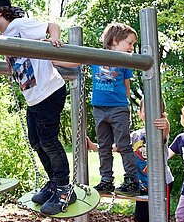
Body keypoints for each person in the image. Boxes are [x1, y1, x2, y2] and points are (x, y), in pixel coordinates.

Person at [0, 0, 75, 216]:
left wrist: (54, 39)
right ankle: (54, 183)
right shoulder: (5, 36)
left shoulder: (18, 25)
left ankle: (65, 189)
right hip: (34, 98)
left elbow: (51, 25)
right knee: (36, 141)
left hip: (49, 91)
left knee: (49, 141)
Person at [57, 23, 140, 196]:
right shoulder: (96, 57)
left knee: (124, 145)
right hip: (99, 109)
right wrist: (51, 58)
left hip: (119, 108)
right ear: (116, 41)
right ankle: (106, 180)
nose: (131, 47)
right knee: (103, 146)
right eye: (129, 43)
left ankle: (132, 180)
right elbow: (74, 62)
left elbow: (126, 85)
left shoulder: (125, 61)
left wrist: (124, 105)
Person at [131, 99, 174, 222]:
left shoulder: (158, 130)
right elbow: (118, 147)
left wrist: (166, 124)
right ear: (139, 113)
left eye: (155, 109)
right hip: (142, 185)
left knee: (159, 220)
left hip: (162, 184)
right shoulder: (135, 135)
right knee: (140, 218)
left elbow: (165, 134)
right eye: (146, 109)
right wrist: (93, 146)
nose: (149, 113)